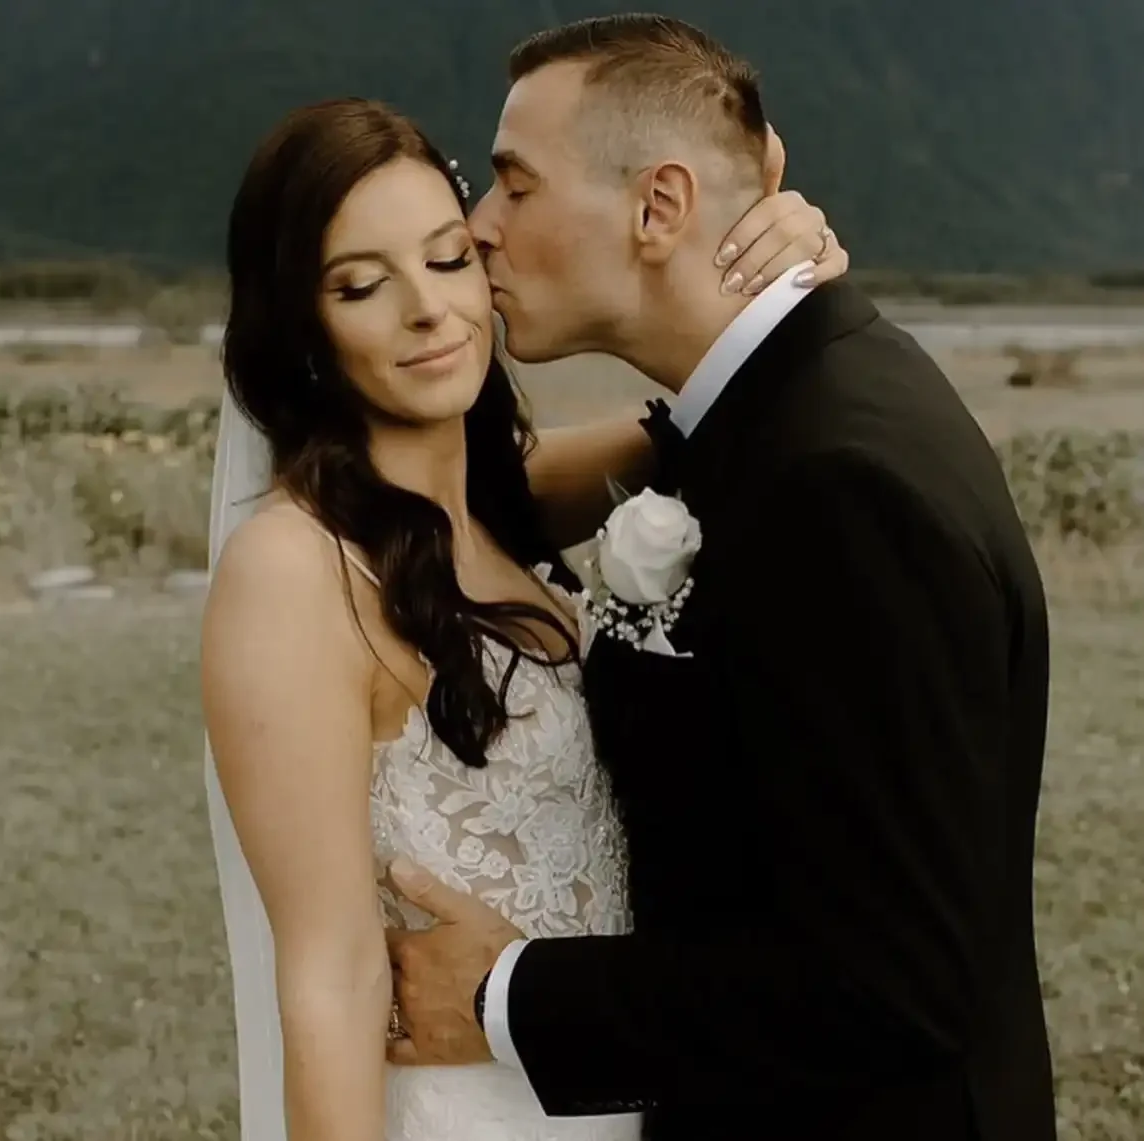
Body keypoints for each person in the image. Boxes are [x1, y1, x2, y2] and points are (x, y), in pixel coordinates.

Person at [382, 15, 1058, 1141]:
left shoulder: (841, 484)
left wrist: (506, 998)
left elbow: (893, 985)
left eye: (513, 184)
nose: (478, 227)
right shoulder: (769, 412)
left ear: (658, 208)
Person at [200, 95, 846, 1141]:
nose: (427, 309)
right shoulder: (295, 568)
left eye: (448, 260)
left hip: (603, 1085)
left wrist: (781, 272)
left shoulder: (495, 513)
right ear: (303, 328)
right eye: (361, 285)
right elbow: (329, 974)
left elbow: (697, 414)